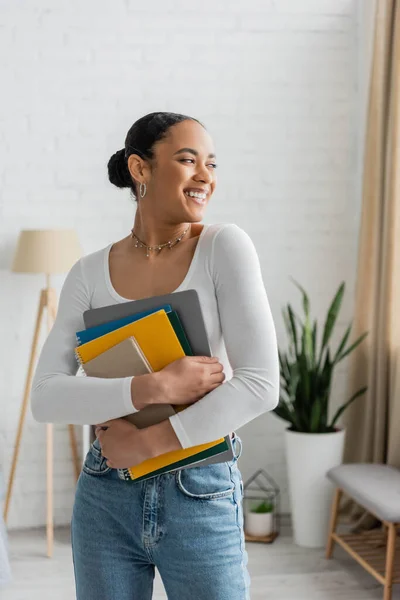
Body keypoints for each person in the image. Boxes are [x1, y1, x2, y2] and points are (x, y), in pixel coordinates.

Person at [31, 111, 280, 600]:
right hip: (105, 494)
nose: (205, 175)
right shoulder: (87, 274)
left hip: (200, 491)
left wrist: (150, 443)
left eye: (211, 162)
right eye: (188, 160)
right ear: (140, 169)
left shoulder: (223, 247)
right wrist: (155, 387)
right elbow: (45, 397)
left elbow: (260, 384)